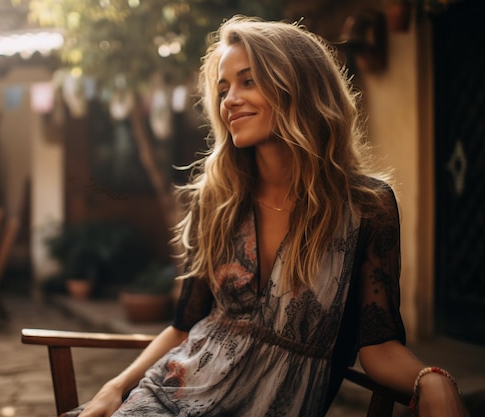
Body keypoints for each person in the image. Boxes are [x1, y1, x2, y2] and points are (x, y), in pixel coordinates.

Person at [67, 15, 469, 417]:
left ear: (300, 86)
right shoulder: (217, 200)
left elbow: (378, 344)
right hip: (169, 397)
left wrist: (431, 377)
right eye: (223, 89)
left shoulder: (367, 207)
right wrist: (116, 387)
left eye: (248, 81)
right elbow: (184, 326)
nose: (229, 101)